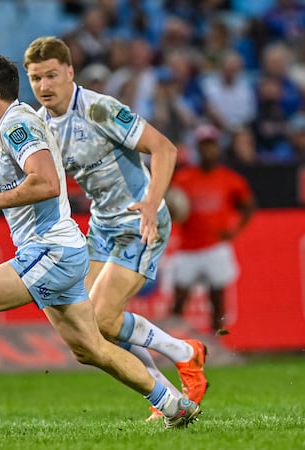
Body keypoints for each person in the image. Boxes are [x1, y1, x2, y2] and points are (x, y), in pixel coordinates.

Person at [0, 53, 200, 436]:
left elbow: (47, 182)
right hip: (54, 251)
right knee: (90, 348)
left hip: (51, 250)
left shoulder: (18, 126)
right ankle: (173, 405)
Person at [22, 36, 208, 421]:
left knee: (103, 318)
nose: (44, 85)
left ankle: (185, 353)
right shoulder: (41, 125)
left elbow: (165, 148)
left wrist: (152, 203)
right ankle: (169, 397)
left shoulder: (99, 109)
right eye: (36, 78)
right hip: (102, 226)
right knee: (90, 326)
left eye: (51, 75)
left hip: (139, 221)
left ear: (70, 72)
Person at [170, 124, 255, 333]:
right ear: (198, 148)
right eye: (204, 145)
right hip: (188, 247)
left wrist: (236, 230)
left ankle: (219, 341)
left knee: (218, 301)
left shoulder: (230, 179)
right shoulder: (183, 178)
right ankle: (171, 342)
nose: (208, 149)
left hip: (215, 246)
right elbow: (171, 206)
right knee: (178, 301)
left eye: (211, 145)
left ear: (218, 147)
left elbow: (248, 206)